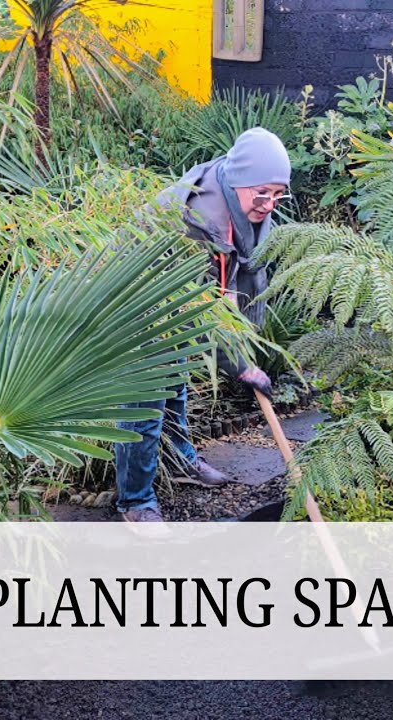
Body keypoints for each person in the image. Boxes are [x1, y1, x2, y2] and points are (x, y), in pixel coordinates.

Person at [114, 127, 293, 523]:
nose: (269, 203)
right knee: (145, 401)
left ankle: (181, 460)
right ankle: (135, 502)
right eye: (262, 193)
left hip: (177, 302)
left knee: (175, 379)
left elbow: (247, 278)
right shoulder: (202, 221)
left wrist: (248, 349)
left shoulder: (241, 196)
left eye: (278, 194)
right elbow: (205, 311)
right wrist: (241, 366)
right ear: (241, 180)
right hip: (140, 300)